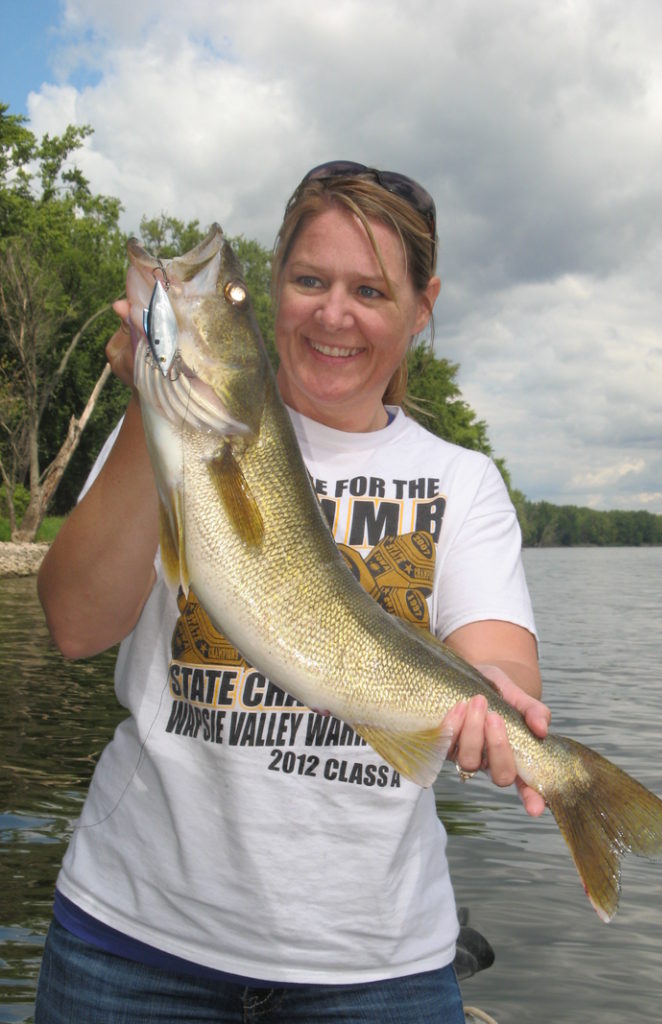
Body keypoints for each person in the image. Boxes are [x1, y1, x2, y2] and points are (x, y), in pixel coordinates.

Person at [34, 160, 550, 1023]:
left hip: (378, 967)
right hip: (130, 940)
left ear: (421, 309)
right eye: (309, 280)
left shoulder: (461, 480)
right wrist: (149, 402)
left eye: (370, 291)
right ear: (276, 286)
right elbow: (75, 625)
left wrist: (496, 709)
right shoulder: (169, 433)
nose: (333, 314)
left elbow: (501, 662)